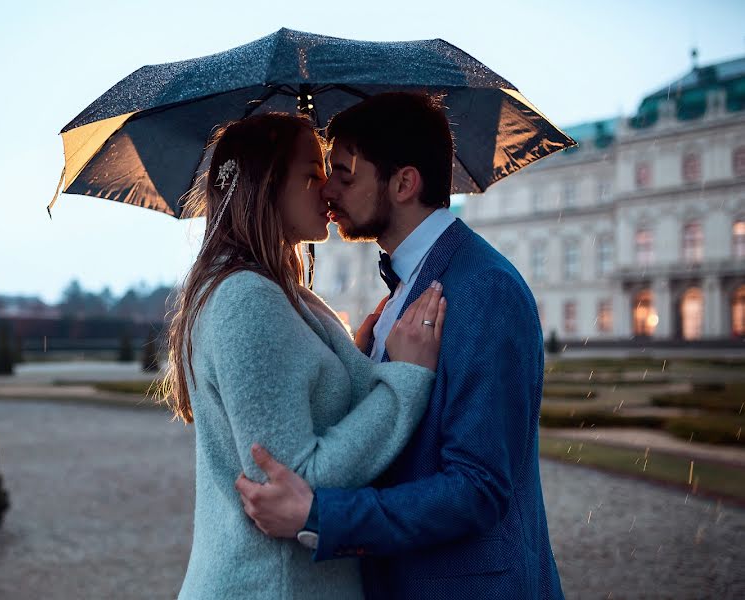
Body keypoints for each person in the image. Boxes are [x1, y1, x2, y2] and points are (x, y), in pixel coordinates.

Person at [235, 93, 565, 599]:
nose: (328, 188)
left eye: (346, 174)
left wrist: (321, 516)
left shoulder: (484, 289)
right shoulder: (408, 287)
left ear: (404, 183)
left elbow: (478, 488)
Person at [164, 112, 447, 600]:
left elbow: (308, 402)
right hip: (273, 586)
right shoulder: (246, 299)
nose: (328, 190)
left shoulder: (280, 291)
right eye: (311, 175)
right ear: (265, 185)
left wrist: (354, 354)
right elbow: (295, 479)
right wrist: (405, 378)